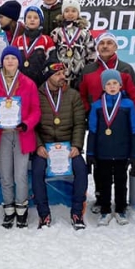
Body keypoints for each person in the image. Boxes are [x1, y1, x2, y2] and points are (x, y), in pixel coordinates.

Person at [0, 46, 42, 228]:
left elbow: (35, 110)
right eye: (7, 58)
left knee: (21, 174)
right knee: (6, 174)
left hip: (21, 134)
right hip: (3, 135)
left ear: (19, 62)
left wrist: (26, 123)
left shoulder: (28, 83)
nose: (10, 61)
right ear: (2, 61)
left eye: (13, 58)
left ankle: (21, 209)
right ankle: (8, 209)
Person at [32, 62, 88, 230]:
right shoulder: (36, 95)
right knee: (37, 171)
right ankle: (44, 214)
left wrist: (76, 145)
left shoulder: (73, 95)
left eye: (63, 73)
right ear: (48, 77)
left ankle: (77, 212)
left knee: (81, 170)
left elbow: (79, 123)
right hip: (46, 147)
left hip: (68, 146)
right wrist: (39, 146)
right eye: (58, 74)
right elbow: (33, 125)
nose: (62, 77)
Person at [86, 69, 135, 226]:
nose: (112, 86)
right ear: (103, 87)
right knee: (104, 182)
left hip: (122, 153)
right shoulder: (96, 106)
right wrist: (90, 153)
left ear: (121, 85)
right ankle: (105, 210)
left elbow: (134, 130)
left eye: (115, 83)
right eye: (108, 84)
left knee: (121, 182)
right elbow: (93, 131)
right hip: (103, 153)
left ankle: (121, 209)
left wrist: (134, 155)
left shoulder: (128, 105)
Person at [50, 0, 95, 90]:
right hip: (61, 75)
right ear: (63, 14)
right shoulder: (57, 32)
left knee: (77, 100)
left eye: (73, 11)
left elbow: (91, 53)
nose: (70, 14)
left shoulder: (85, 32)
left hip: (80, 74)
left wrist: (87, 71)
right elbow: (51, 53)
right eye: (67, 11)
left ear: (78, 13)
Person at [11, 5, 54, 86]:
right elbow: (12, 61)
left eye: (36, 17)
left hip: (40, 84)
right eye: (29, 17)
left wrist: (43, 77)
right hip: (20, 83)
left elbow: (51, 63)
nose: (32, 20)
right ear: (25, 20)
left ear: (40, 21)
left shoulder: (46, 40)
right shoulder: (18, 40)